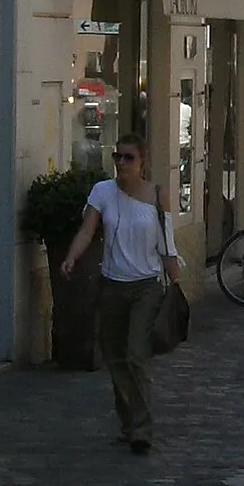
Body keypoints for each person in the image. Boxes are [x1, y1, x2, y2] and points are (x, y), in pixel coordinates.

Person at [59, 134, 181, 455]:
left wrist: (176, 281)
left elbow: (167, 244)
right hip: (112, 285)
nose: (122, 163)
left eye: (129, 158)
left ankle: (142, 427)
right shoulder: (103, 193)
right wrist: (72, 256)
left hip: (147, 286)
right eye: (118, 157)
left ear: (143, 162)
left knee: (135, 354)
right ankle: (128, 423)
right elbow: (88, 229)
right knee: (114, 357)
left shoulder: (157, 196)